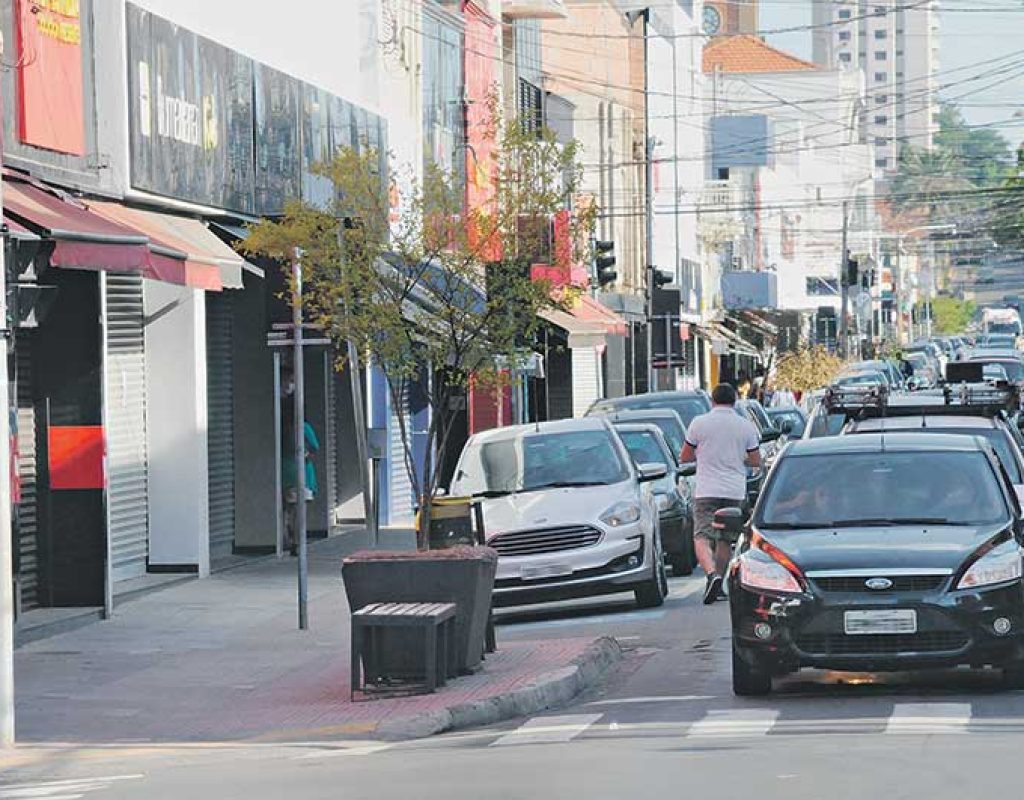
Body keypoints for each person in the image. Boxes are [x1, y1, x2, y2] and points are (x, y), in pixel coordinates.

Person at [680, 383, 762, 604]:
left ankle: (710, 574)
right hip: (734, 490)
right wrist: (737, 457)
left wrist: (704, 455)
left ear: (712, 400)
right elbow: (755, 461)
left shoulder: (699, 424)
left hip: (706, 490)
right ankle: (718, 582)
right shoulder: (745, 426)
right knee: (725, 539)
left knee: (702, 536)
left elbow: (685, 457)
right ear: (735, 400)